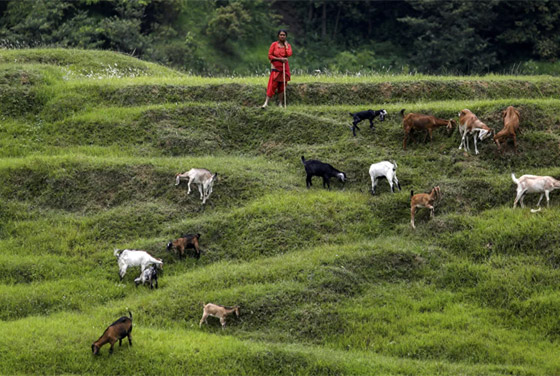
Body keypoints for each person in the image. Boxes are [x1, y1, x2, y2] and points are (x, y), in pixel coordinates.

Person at [262, 30, 292, 108]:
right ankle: (266, 103)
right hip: (276, 68)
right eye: (281, 35)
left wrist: (286, 46)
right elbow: (270, 56)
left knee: (282, 86)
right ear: (278, 36)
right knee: (272, 85)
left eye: (284, 35)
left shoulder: (288, 45)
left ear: (286, 36)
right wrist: (280, 59)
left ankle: (280, 103)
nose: (282, 36)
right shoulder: (274, 45)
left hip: (284, 68)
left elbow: (289, 54)